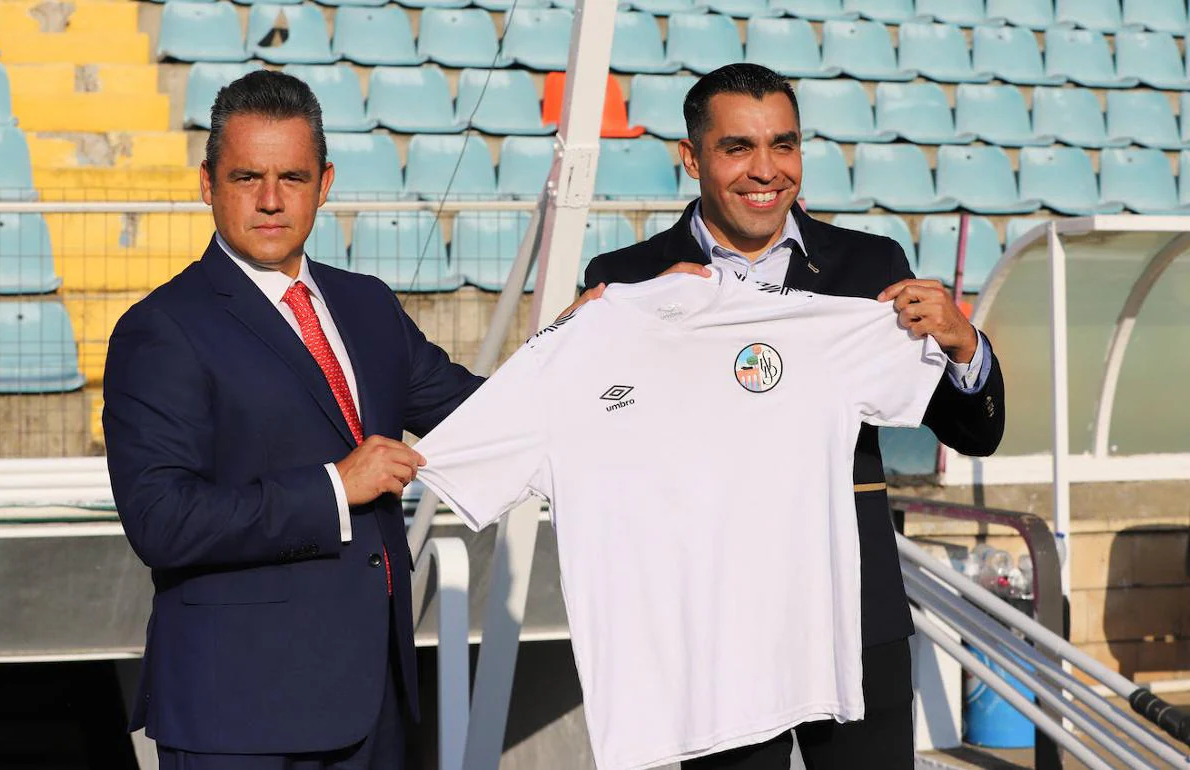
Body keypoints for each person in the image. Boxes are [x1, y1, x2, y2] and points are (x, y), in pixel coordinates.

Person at [579, 63, 1005, 769]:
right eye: (737, 147)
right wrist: (590, 340)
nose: (766, 170)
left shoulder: (871, 267)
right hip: (713, 623)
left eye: (784, 144)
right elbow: (598, 436)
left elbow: (975, 431)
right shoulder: (627, 278)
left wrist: (963, 346)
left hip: (854, 615)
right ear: (691, 158)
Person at [103, 70, 481, 769]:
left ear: (325, 182)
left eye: (294, 178)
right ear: (207, 183)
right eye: (248, 177)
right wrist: (335, 488)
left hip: (377, 707)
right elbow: (161, 519)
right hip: (242, 716)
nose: (272, 201)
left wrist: (579, 345)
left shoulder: (365, 304)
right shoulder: (161, 328)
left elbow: (477, 413)